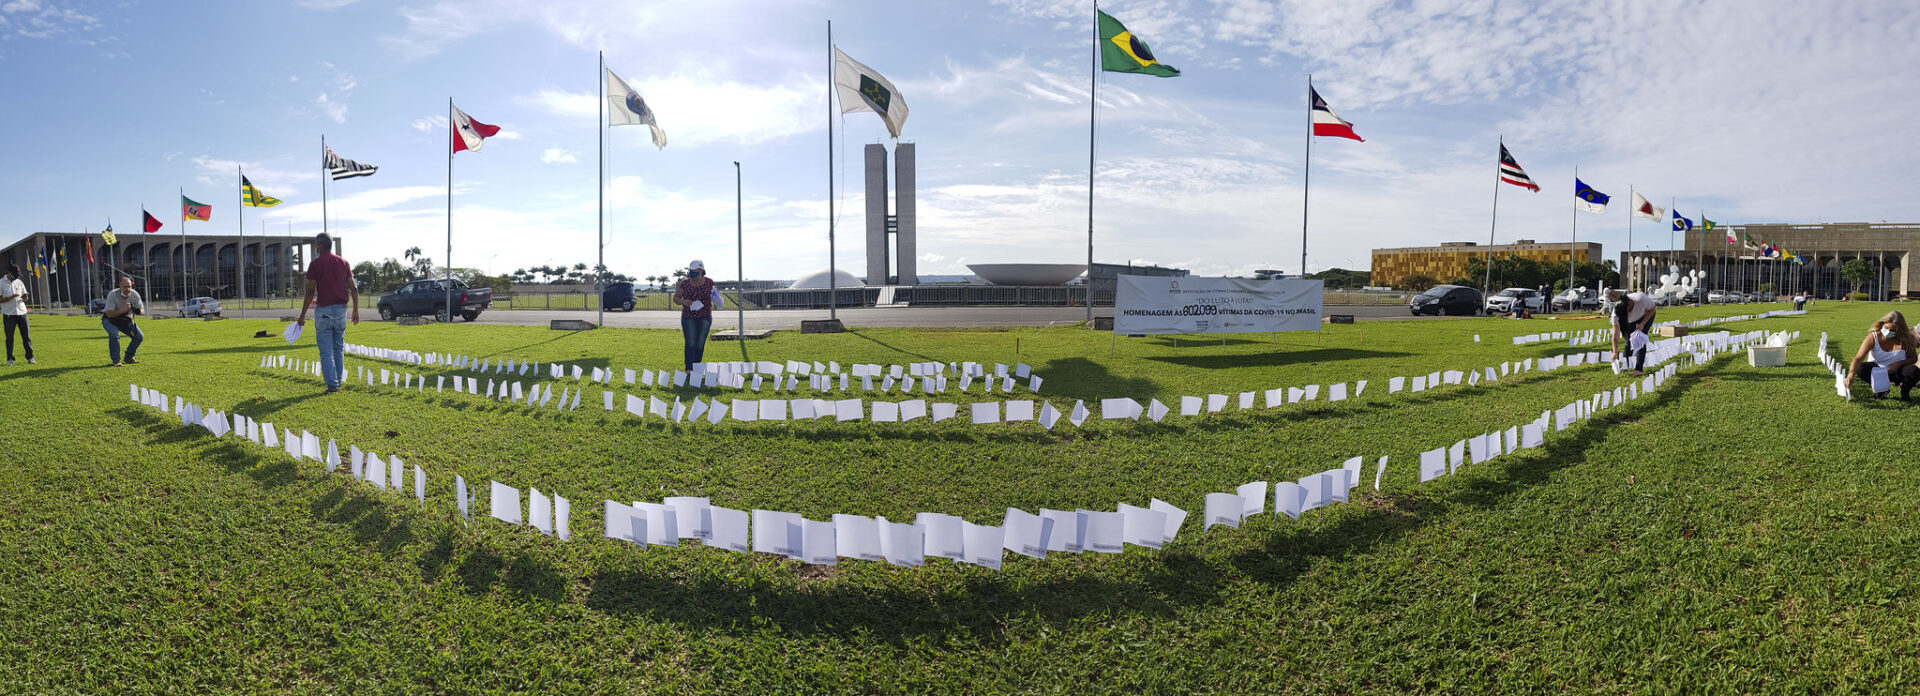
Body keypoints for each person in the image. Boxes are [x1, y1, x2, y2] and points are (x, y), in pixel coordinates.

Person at [295, 233, 359, 393]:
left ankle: (332, 384)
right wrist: (356, 310)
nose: (315, 248)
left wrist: (302, 315)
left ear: (320, 246)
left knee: (325, 350)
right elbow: (354, 287)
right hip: (341, 311)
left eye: (316, 245)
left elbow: (310, 290)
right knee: (338, 347)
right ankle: (338, 379)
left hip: (324, 311)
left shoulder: (315, 264)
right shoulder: (343, 263)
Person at [1847, 311, 1919, 401]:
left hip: (1897, 372)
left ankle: (1905, 392)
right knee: (1862, 368)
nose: (1888, 332)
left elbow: (1913, 358)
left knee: (1913, 371)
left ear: (1899, 330)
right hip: (1877, 372)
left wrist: (1899, 364)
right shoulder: (1873, 337)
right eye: (1886, 328)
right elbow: (1858, 358)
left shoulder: (1906, 338)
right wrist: (1850, 376)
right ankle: (1881, 390)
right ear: (1882, 324)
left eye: (1893, 330)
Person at [672, 259, 720, 371]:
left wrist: (717, 300)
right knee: (691, 343)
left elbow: (716, 298)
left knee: (700, 344)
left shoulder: (709, 283)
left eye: (695, 271)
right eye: (691, 270)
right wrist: (684, 302)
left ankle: (697, 367)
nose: (693, 273)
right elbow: (676, 298)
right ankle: (689, 369)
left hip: (705, 317)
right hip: (689, 318)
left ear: (701, 270)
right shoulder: (685, 283)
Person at [1609, 290, 1658, 376]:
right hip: (1632, 320)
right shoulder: (1616, 313)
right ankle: (1626, 365)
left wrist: (1642, 324)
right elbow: (1615, 334)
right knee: (1629, 340)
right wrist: (1615, 352)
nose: (1627, 312)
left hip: (1646, 315)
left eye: (1627, 309)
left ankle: (1638, 369)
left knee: (1639, 339)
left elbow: (1653, 309)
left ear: (1630, 302)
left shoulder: (1641, 299)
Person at [101, 274, 145, 366]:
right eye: (125, 287)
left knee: (139, 337)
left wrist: (137, 310)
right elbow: (109, 314)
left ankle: (129, 357)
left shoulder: (134, 294)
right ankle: (116, 360)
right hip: (109, 319)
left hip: (124, 320)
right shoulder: (113, 294)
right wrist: (123, 310)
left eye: (129, 287)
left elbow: (142, 311)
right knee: (114, 334)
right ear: (120, 286)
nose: (127, 289)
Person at [0, 263, 30, 366]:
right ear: (8, 272)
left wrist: (24, 297)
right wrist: (10, 298)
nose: (16, 277)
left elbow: (25, 296)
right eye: (14, 274)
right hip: (9, 314)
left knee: (26, 337)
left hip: (22, 313)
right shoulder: (1, 283)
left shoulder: (19, 282)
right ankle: (10, 359)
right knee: (9, 338)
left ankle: (30, 357)